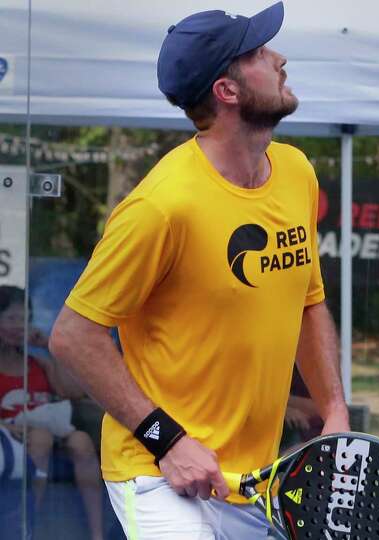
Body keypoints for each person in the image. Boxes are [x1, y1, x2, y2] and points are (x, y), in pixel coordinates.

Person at [48, 2, 350, 538]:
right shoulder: (162, 206)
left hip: (257, 479)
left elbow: (308, 304)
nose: (279, 59)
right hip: (162, 473)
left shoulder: (298, 173)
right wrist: (167, 440)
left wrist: (334, 415)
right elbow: (74, 335)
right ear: (226, 92)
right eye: (258, 53)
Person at [0, 286, 105, 540]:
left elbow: (71, 392)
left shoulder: (38, 363)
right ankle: (28, 527)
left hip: (50, 430)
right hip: (15, 436)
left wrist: (48, 347)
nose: (19, 326)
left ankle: (97, 534)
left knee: (81, 442)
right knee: (41, 438)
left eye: (24, 319)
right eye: (11, 319)